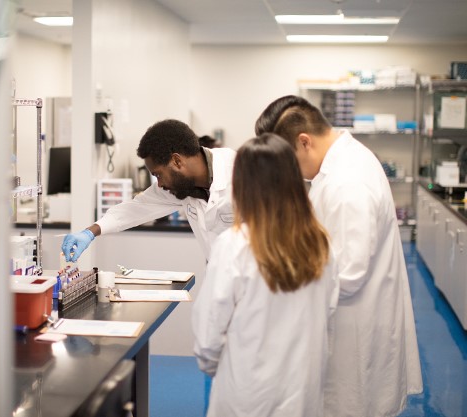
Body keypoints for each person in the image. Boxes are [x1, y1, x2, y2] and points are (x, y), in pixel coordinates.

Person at [255, 95, 423, 417]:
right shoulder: (343, 162)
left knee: (348, 404)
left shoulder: (348, 184)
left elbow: (347, 275)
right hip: (351, 324)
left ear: (304, 142)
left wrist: (283, 278)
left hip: (351, 331)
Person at [192, 133, 339, 417]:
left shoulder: (234, 246)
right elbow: (329, 312)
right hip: (303, 391)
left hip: (247, 394)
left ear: (242, 185)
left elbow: (209, 335)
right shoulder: (321, 243)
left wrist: (219, 368)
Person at [61, 119, 237, 262]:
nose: (159, 184)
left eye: (158, 174)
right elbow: (135, 208)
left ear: (177, 161)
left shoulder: (241, 173)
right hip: (219, 282)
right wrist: (90, 232)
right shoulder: (182, 185)